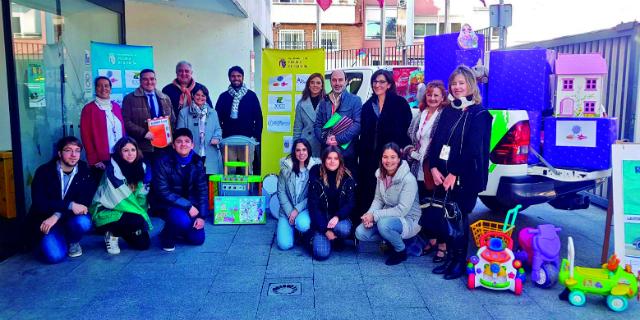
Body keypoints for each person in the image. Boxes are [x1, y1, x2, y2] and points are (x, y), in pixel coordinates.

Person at [428, 65, 492, 280]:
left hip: (464, 177)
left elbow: (473, 150)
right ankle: (450, 258)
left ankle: (460, 261)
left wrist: (453, 173)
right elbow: (437, 141)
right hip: (443, 174)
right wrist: (434, 167)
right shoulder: (449, 110)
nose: (457, 87)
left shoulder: (480, 114)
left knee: (460, 217)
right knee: (446, 217)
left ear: (471, 85)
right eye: (454, 83)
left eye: (461, 83)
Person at [27, 137, 96, 263]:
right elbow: (39, 202)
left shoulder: (85, 171)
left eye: (77, 151)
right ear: (59, 153)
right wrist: (69, 205)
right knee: (55, 256)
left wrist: (57, 215)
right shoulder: (44, 172)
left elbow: (83, 204)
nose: (73, 155)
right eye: (68, 150)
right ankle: (57, 238)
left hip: (67, 218)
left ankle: (72, 240)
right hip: (46, 219)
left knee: (84, 222)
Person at [358, 69, 412, 224]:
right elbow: (363, 130)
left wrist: (401, 150)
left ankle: (387, 226)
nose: (377, 85)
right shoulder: (368, 105)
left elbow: (406, 129)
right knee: (369, 191)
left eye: (381, 82)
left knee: (389, 191)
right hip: (369, 157)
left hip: (390, 157)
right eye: (375, 81)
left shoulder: (400, 103)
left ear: (389, 84)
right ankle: (367, 223)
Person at [404, 80, 448, 262]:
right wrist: (410, 151)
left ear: (442, 97)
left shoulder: (444, 115)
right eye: (429, 95)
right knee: (424, 205)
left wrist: (425, 157)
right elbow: (412, 136)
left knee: (438, 207)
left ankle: (443, 246)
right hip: (417, 167)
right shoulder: (421, 113)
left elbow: (442, 142)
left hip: (434, 168)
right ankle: (431, 240)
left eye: (436, 95)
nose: (432, 98)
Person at [355, 143, 422, 265]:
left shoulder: (408, 179)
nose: (389, 161)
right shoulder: (380, 174)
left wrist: (375, 216)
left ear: (399, 158)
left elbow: (402, 210)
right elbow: (378, 200)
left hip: (408, 219)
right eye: (385, 157)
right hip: (386, 216)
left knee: (383, 224)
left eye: (393, 157)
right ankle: (391, 240)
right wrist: (369, 215)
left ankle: (401, 251)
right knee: (361, 233)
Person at [90, 137, 153, 254]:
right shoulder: (112, 171)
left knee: (143, 244)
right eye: (125, 150)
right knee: (137, 220)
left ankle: (121, 231)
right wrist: (140, 215)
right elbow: (118, 198)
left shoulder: (141, 167)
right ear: (119, 152)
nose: (130, 154)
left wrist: (141, 213)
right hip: (106, 210)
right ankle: (111, 233)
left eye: (133, 150)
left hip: (129, 209)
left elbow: (141, 195)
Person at [152, 128, 208, 251]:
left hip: (191, 206)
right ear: (173, 145)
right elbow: (163, 191)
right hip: (167, 204)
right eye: (179, 141)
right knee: (182, 221)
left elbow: (202, 191)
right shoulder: (163, 162)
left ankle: (176, 229)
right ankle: (168, 235)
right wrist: (188, 206)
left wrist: (202, 217)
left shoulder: (197, 161)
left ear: (192, 144)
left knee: (197, 239)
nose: (183, 144)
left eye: (187, 141)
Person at [308, 146, 356, 260]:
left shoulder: (347, 176)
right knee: (321, 254)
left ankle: (338, 239)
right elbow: (313, 207)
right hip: (322, 218)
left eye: (336, 158)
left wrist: (337, 217)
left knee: (343, 229)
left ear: (340, 160)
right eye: (329, 158)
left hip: (339, 218)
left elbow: (350, 203)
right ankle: (314, 236)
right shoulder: (316, 175)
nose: (332, 161)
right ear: (324, 159)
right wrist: (325, 230)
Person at [214, 66, 263, 174]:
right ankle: (229, 191)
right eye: (233, 76)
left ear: (243, 77)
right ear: (229, 78)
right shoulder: (223, 97)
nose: (236, 78)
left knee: (247, 171)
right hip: (228, 140)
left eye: (239, 76)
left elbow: (258, 118)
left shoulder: (251, 96)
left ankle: (249, 191)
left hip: (247, 140)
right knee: (229, 171)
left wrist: (255, 136)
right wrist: (220, 136)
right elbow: (216, 119)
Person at [313, 69, 362, 174]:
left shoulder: (355, 100)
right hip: (327, 153)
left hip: (347, 153)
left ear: (346, 81)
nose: (337, 83)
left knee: (348, 185)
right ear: (330, 82)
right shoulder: (324, 101)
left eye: (340, 80)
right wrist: (325, 139)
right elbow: (317, 125)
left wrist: (338, 139)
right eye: (334, 80)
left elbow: (358, 124)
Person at [122, 68, 176, 162]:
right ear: (140, 81)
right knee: (146, 174)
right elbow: (126, 122)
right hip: (142, 147)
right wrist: (143, 133)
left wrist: (170, 137)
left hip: (164, 146)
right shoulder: (129, 99)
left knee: (162, 174)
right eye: (145, 79)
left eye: (152, 79)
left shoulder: (165, 98)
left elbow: (172, 120)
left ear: (155, 80)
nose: (149, 82)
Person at [276, 138, 320, 250]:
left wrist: (296, 210)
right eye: (298, 150)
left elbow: (313, 195)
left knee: (303, 224)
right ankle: (292, 231)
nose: (301, 153)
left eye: (304, 150)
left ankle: (302, 232)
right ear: (294, 152)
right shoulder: (286, 168)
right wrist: (290, 211)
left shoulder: (315, 169)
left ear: (308, 151)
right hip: (287, 210)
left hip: (305, 209)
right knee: (284, 245)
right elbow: (281, 192)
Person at [80, 76, 125, 179]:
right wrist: (94, 159)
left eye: (106, 86)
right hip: (101, 159)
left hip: (119, 156)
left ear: (110, 88)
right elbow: (85, 136)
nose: (103, 89)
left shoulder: (116, 107)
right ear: (95, 89)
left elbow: (122, 131)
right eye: (99, 86)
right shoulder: (89, 109)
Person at [177, 87, 223, 175]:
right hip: (191, 151)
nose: (200, 97)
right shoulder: (183, 113)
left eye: (203, 95)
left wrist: (216, 137)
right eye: (197, 95)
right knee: (192, 178)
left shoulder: (213, 112)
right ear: (193, 95)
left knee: (209, 181)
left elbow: (218, 129)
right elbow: (180, 132)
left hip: (210, 151)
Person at [293, 73, 325, 157]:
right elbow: (297, 128)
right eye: (312, 82)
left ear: (322, 86)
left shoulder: (327, 102)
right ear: (308, 85)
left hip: (322, 143)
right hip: (305, 144)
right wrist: (295, 147)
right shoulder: (301, 104)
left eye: (318, 83)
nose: (315, 85)